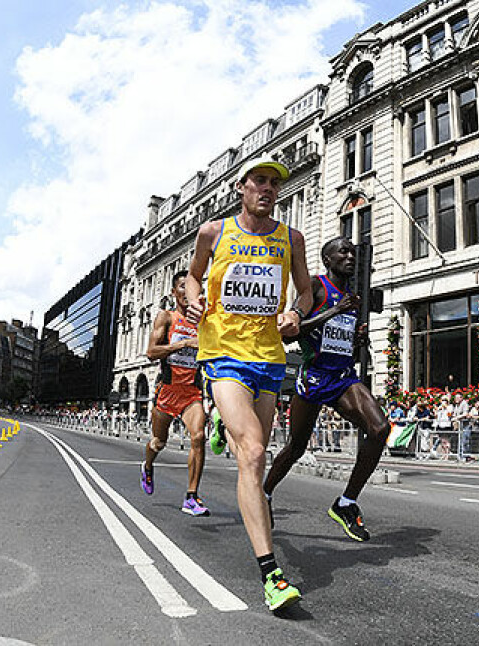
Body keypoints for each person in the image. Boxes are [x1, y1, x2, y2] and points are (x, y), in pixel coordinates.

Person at [185, 154, 312, 611]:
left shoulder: (291, 239)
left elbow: (306, 291)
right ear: (242, 187)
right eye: (259, 181)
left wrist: (295, 312)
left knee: (252, 462)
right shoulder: (213, 232)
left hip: (270, 357)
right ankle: (271, 574)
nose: (268, 189)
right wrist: (193, 300)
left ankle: (225, 421)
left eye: (274, 184)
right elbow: (193, 277)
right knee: (254, 451)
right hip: (224, 352)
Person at [263, 236, 390, 544]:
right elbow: (289, 335)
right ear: (328, 260)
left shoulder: (352, 297)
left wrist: (356, 340)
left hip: (343, 377)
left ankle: (346, 503)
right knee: (296, 448)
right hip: (314, 378)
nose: (350, 256)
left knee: (380, 428)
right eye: (343, 252)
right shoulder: (316, 287)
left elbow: (342, 342)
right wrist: (333, 312)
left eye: (352, 252)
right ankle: (264, 493)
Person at [140, 271, 211, 516]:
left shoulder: (203, 322)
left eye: (192, 288)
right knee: (158, 442)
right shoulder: (166, 317)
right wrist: (183, 344)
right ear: (174, 292)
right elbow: (151, 352)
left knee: (198, 437)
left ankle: (191, 497)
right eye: (182, 287)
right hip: (167, 391)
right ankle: (148, 465)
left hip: (192, 392)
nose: (188, 292)